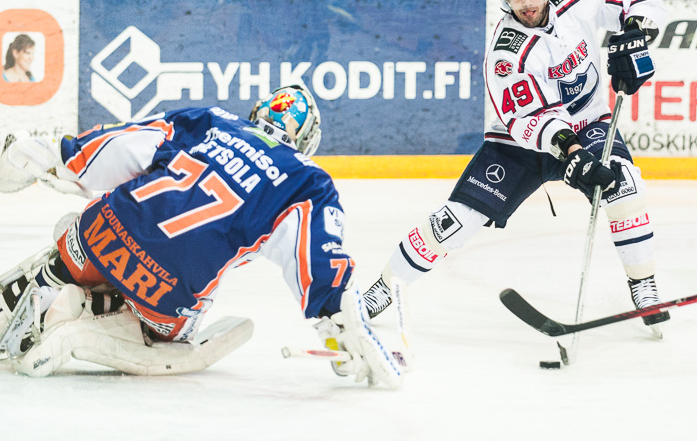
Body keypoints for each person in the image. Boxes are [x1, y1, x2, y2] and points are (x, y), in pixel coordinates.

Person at [0, 82, 402, 387]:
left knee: (77, 227)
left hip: (99, 237)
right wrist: (338, 323)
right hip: (165, 290)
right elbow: (316, 263)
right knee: (168, 330)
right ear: (306, 140)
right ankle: (87, 318)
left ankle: (52, 280)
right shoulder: (307, 181)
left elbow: (117, 147)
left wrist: (56, 154)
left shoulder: (208, 121)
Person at [363, 0, 670, 332]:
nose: (525, 3)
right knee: (455, 221)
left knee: (623, 185)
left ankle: (645, 286)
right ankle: (382, 289)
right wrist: (572, 153)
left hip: (589, 120)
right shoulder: (507, 52)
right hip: (519, 143)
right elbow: (526, 119)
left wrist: (636, 33)